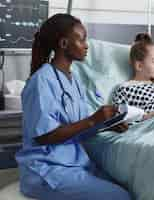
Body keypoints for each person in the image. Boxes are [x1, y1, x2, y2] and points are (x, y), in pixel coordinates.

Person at [15, 13, 131, 200]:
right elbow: (45, 136)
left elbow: (78, 129)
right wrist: (93, 119)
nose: (86, 45)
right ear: (63, 44)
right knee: (120, 197)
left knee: (129, 186)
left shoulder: (73, 80)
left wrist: (105, 124)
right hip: (47, 170)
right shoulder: (41, 82)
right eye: (82, 39)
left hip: (75, 163)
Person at [111, 33, 154, 120]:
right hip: (153, 124)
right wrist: (146, 117)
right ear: (139, 66)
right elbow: (118, 121)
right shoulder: (124, 89)